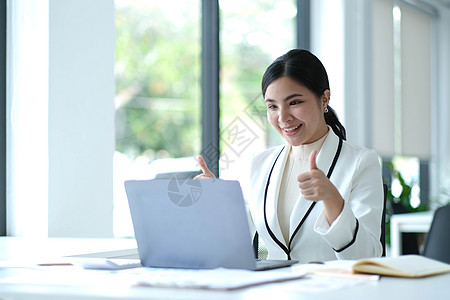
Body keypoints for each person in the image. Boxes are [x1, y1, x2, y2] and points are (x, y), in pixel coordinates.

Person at [195, 49, 384, 263]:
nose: (283, 117)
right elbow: (231, 242)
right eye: (272, 106)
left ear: (324, 99)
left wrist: (332, 199)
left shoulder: (360, 162)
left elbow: (368, 257)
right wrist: (215, 200)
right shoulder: (261, 163)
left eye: (294, 102)